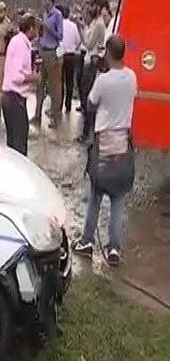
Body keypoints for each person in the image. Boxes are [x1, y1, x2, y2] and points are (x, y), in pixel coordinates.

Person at [73, 36, 136, 266]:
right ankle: (114, 249)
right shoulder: (132, 77)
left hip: (104, 142)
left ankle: (87, 241)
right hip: (123, 142)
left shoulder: (103, 80)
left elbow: (90, 104)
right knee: (118, 197)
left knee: (96, 194)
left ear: (109, 53)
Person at [1, 13, 40, 156]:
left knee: (15, 144)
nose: (37, 32)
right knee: (18, 146)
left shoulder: (21, 43)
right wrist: (33, 78)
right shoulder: (20, 45)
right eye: (35, 28)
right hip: (14, 98)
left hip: (13, 98)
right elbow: (16, 76)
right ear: (30, 28)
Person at [33, 0, 64, 129]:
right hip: (43, 51)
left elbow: (60, 36)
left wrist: (47, 27)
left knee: (54, 87)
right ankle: (37, 115)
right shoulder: (44, 14)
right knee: (40, 84)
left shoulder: (57, 15)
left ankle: (55, 118)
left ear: (50, 0)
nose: (43, 2)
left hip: (53, 53)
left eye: (45, 0)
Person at [78, 4, 106, 142]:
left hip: (92, 62)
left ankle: (88, 132)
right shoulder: (93, 25)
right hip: (88, 60)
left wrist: (82, 29)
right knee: (85, 93)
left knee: (89, 95)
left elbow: (89, 44)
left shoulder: (98, 26)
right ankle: (88, 130)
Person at [59, 5, 82, 114]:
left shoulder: (59, 25)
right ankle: (68, 105)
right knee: (69, 81)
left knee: (60, 81)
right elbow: (78, 41)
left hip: (61, 55)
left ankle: (59, 104)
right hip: (71, 55)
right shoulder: (73, 26)